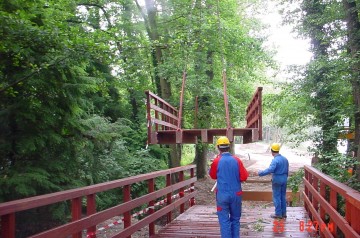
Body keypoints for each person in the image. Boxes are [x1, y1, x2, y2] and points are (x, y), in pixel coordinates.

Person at [209, 136, 249, 238]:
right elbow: (244, 176)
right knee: (235, 219)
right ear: (229, 146)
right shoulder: (237, 160)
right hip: (236, 194)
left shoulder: (216, 161)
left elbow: (213, 176)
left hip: (222, 195)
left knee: (224, 220)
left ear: (218, 147)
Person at [258, 143, 289, 219]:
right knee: (283, 196)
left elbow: (271, 169)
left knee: (276, 197)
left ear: (272, 151)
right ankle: (284, 213)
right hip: (284, 178)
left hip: (277, 179)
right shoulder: (285, 159)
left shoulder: (275, 160)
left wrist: (261, 173)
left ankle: (278, 214)